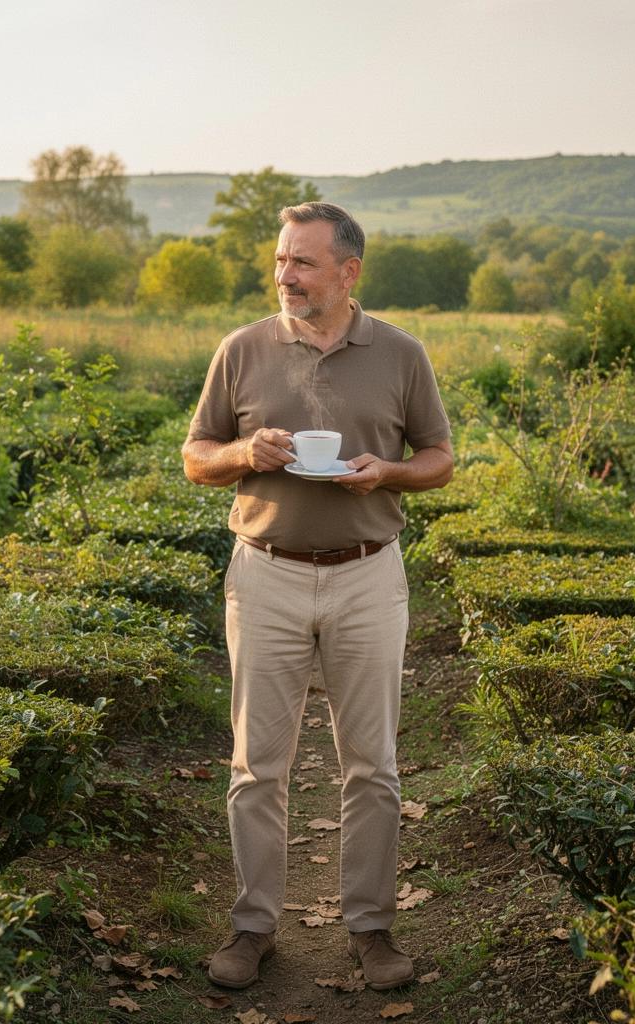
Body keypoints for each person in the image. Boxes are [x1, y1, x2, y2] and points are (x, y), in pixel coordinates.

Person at [182, 201, 453, 991]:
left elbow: (439, 457)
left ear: (348, 272)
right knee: (256, 765)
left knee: (372, 766)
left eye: (301, 262)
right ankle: (252, 927)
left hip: (369, 572)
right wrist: (242, 451)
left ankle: (371, 929)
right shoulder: (242, 350)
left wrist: (389, 472)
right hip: (264, 572)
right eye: (279, 260)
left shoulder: (400, 353)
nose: (285, 276)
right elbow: (196, 456)